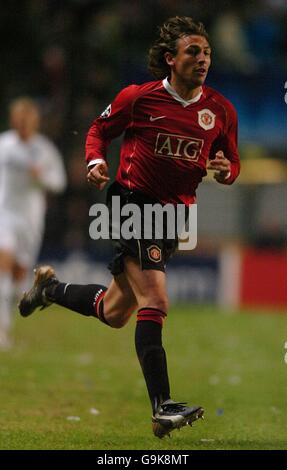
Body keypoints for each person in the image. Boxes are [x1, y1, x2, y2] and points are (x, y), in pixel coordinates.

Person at [19, 16, 240, 438]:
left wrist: (225, 169)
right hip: (132, 202)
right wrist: (97, 161)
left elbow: (232, 165)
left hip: (173, 216)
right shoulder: (139, 99)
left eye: (207, 52)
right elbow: (100, 130)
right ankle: (162, 406)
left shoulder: (220, 111)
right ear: (170, 58)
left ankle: (49, 289)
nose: (203, 59)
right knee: (155, 298)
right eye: (193, 51)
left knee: (116, 311)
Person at [0, 97, 67, 350]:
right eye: (19, 120)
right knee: (2, 267)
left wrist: (42, 179)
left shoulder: (45, 150)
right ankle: (1, 330)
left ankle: (6, 323)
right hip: (4, 214)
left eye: (27, 121)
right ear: (13, 120)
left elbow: (59, 183)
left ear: (34, 122)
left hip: (30, 221)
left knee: (18, 276)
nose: (22, 125)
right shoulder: (4, 144)